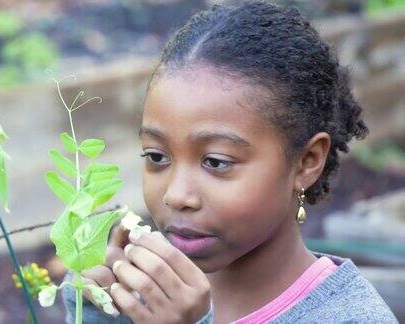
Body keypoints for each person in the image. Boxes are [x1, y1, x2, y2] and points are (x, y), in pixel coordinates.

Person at [62, 1, 398, 323]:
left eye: (217, 162)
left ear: (306, 162)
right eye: (157, 156)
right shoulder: (143, 297)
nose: (176, 196)